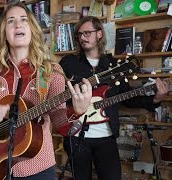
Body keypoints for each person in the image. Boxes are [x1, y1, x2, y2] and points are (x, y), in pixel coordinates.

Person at [0, 2, 93, 179]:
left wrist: (77, 111)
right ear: (4, 33)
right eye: (10, 21)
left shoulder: (50, 71)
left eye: (24, 20)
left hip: (38, 166)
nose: (18, 25)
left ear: (32, 28)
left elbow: (61, 124)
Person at [59, 16, 169, 180]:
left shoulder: (115, 65)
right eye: (79, 35)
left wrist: (156, 99)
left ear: (99, 34)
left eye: (87, 33)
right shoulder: (68, 63)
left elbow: (128, 98)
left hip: (106, 136)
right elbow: (57, 96)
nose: (82, 37)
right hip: (76, 135)